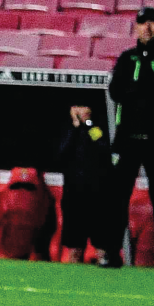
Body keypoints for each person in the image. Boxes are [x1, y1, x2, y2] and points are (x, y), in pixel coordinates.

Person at [105, 6, 154, 271]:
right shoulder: (127, 59)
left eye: (151, 23)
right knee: (117, 198)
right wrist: (135, 90)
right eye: (142, 23)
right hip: (127, 138)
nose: (147, 28)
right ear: (136, 27)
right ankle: (111, 253)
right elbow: (115, 91)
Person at [55, 101, 113, 264]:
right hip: (73, 194)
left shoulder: (98, 126)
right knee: (74, 246)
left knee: (101, 245)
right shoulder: (68, 128)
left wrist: (88, 123)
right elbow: (61, 154)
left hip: (97, 194)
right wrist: (75, 126)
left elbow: (103, 147)